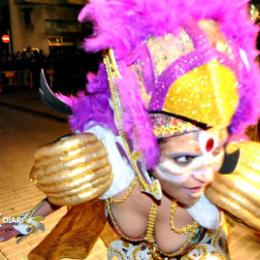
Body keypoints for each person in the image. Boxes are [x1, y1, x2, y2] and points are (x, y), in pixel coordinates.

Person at [1, 0, 260, 259]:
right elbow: (71, 190)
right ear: (145, 144)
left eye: (213, 152)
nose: (204, 174)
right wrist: (24, 221)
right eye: (184, 158)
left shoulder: (222, 175)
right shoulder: (112, 162)